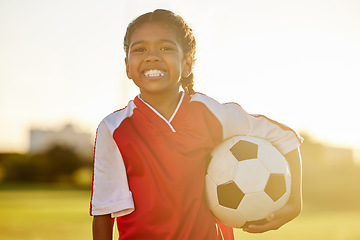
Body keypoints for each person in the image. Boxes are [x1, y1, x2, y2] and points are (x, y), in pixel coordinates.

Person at [90, 9, 303, 240]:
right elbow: (104, 211)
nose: (152, 56)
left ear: (187, 64)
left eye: (165, 48)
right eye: (140, 49)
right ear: (128, 66)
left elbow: (286, 137)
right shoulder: (113, 129)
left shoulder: (211, 113)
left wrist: (295, 203)